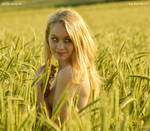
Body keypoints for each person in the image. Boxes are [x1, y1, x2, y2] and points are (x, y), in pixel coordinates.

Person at [33, 8, 101, 124]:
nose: (60, 46)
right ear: (47, 39)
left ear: (79, 41)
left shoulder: (70, 73)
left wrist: (37, 86)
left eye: (68, 40)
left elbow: (57, 125)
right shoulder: (65, 71)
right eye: (54, 39)